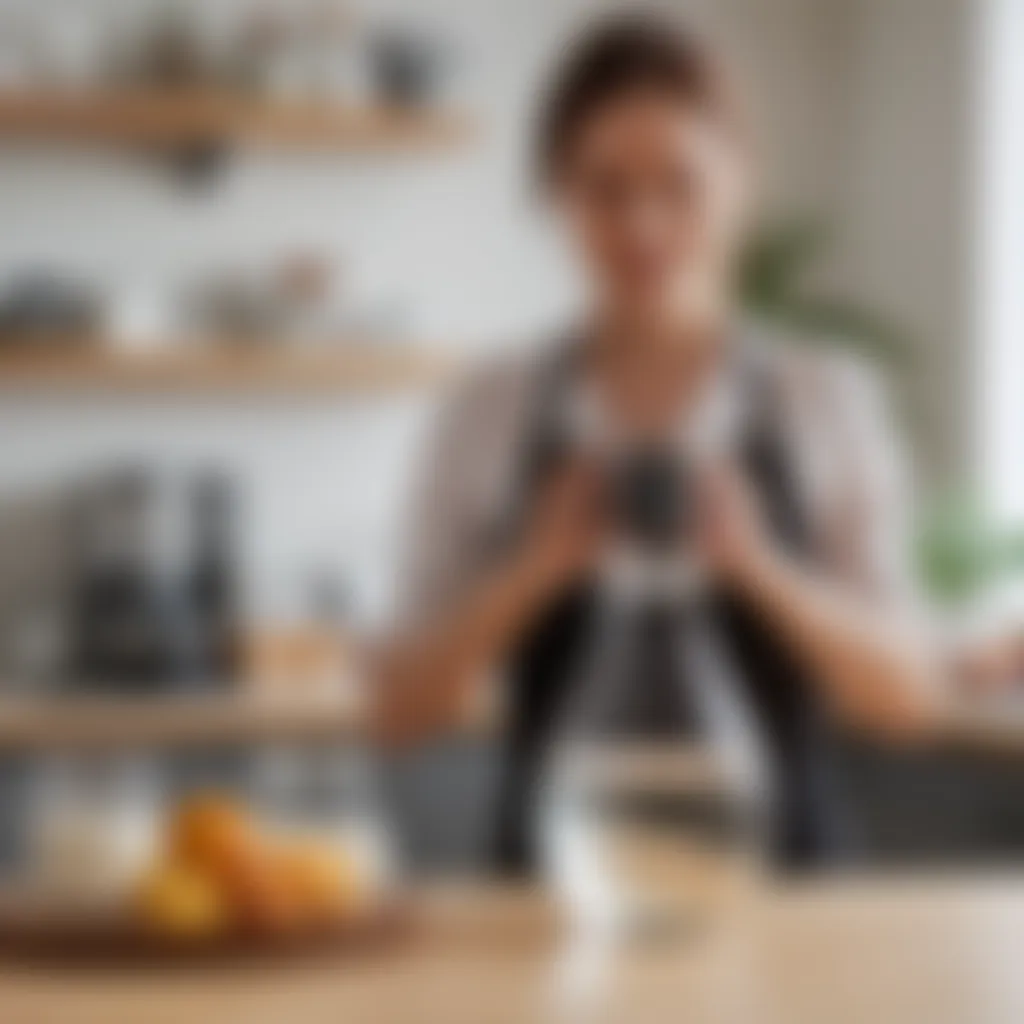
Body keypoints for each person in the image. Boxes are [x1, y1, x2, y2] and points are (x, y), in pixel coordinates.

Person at [373, 12, 938, 873]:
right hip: (549, 899)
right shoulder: (487, 410)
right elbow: (396, 709)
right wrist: (537, 568)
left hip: (791, 906)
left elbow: (910, 699)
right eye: (605, 188)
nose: (644, 223)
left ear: (740, 185)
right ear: (555, 193)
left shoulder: (823, 398)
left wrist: (761, 569)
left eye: (681, 184)